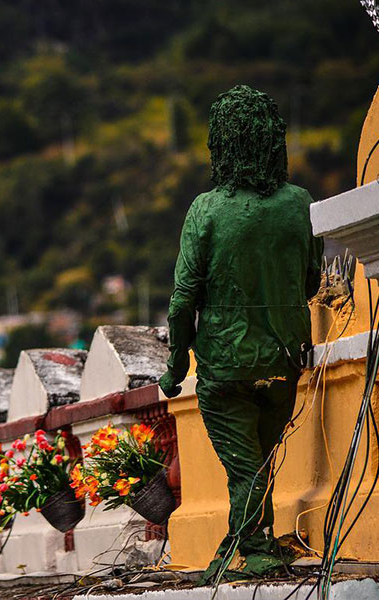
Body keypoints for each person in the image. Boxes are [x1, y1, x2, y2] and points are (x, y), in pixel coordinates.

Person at [158, 85, 323, 582]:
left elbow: (183, 297)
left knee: (244, 467)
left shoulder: (206, 209)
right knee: (259, 463)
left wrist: (175, 366)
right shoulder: (299, 203)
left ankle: (255, 550)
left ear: (221, 145)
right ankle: (239, 544)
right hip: (283, 357)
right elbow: (312, 280)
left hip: (226, 363)